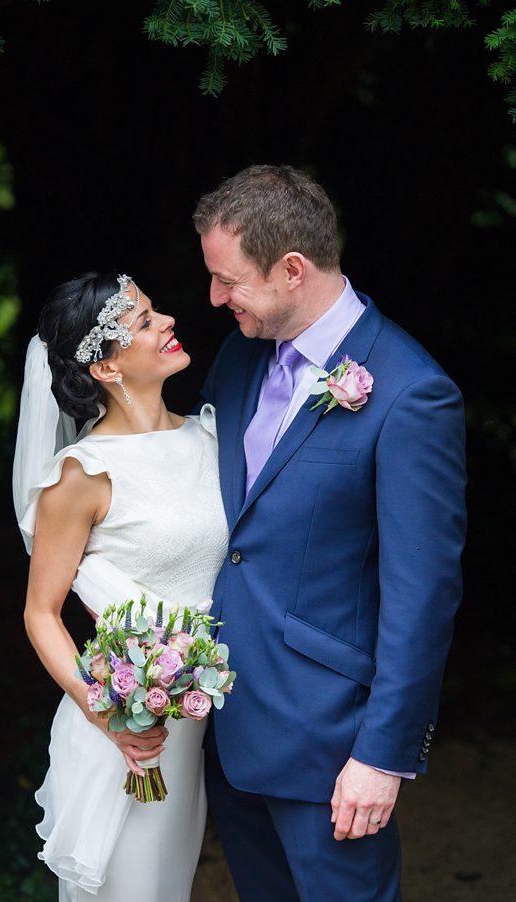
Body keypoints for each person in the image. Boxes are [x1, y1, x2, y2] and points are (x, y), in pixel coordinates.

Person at [194, 164, 467, 902]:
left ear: (292, 269)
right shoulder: (236, 357)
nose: (215, 298)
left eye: (229, 280)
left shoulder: (412, 395)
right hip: (227, 724)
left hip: (331, 745)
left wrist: (383, 755)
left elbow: (423, 593)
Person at [12, 271, 229, 902]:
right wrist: (106, 712)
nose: (165, 323)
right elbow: (41, 612)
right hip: (129, 736)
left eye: (155, 311)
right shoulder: (83, 474)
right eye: (142, 321)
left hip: (192, 727)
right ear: (106, 369)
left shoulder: (209, 437)